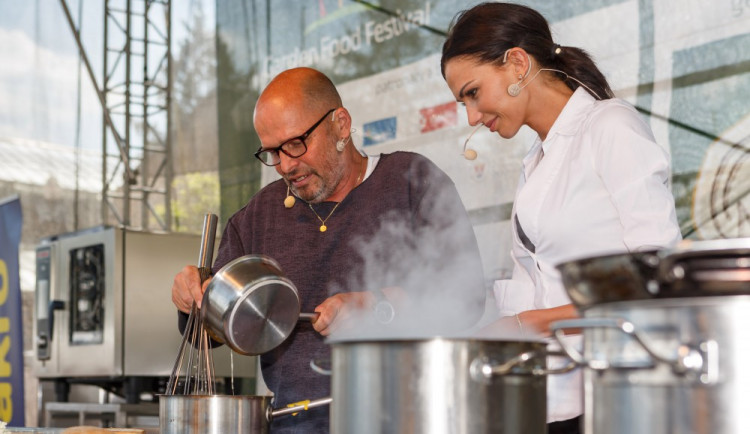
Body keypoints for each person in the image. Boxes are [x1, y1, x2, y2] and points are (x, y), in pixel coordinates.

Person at [172, 67, 486, 433]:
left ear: (340, 124)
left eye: (295, 144)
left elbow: (466, 298)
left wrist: (376, 306)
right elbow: (216, 329)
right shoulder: (259, 215)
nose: (286, 165)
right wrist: (192, 298)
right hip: (294, 424)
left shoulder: (411, 181)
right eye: (272, 152)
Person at [440, 3, 682, 434]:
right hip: (561, 401)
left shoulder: (610, 127)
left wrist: (525, 324)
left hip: (625, 397)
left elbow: (658, 282)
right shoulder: (537, 160)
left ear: (517, 63)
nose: (472, 118)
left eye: (472, 93)